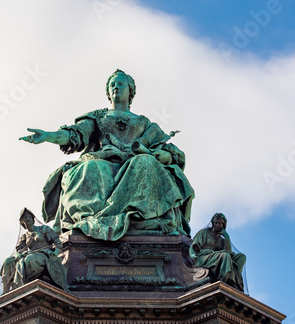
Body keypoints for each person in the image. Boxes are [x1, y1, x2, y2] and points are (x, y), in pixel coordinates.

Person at [19, 69, 194, 241]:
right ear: (108, 92)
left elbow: (165, 149)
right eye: (112, 84)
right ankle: (91, 220)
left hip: (134, 161)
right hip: (103, 160)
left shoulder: (144, 123)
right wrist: (48, 136)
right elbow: (75, 134)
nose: (116, 87)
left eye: (120, 84)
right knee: (89, 169)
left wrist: (163, 155)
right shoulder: (98, 117)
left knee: (146, 162)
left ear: (130, 91)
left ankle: (138, 216)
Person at [0, 208, 68, 294]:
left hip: (44, 254)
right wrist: (18, 254)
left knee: (29, 260)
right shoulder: (24, 237)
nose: (28, 219)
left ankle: (18, 287)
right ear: (22, 222)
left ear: (33, 219)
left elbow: (58, 243)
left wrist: (56, 253)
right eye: (25, 218)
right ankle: (5, 291)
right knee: (8, 262)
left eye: (29, 217)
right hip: (29, 254)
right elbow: (20, 250)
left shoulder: (44, 229)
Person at [189, 213, 246, 291]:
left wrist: (227, 237)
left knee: (241, 257)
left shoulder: (222, 240)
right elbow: (195, 246)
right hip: (204, 257)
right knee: (225, 256)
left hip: (218, 258)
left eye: (219, 223)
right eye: (215, 223)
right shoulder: (204, 232)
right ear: (212, 223)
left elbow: (229, 252)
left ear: (223, 225)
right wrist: (195, 254)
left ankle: (232, 281)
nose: (217, 225)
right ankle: (222, 280)